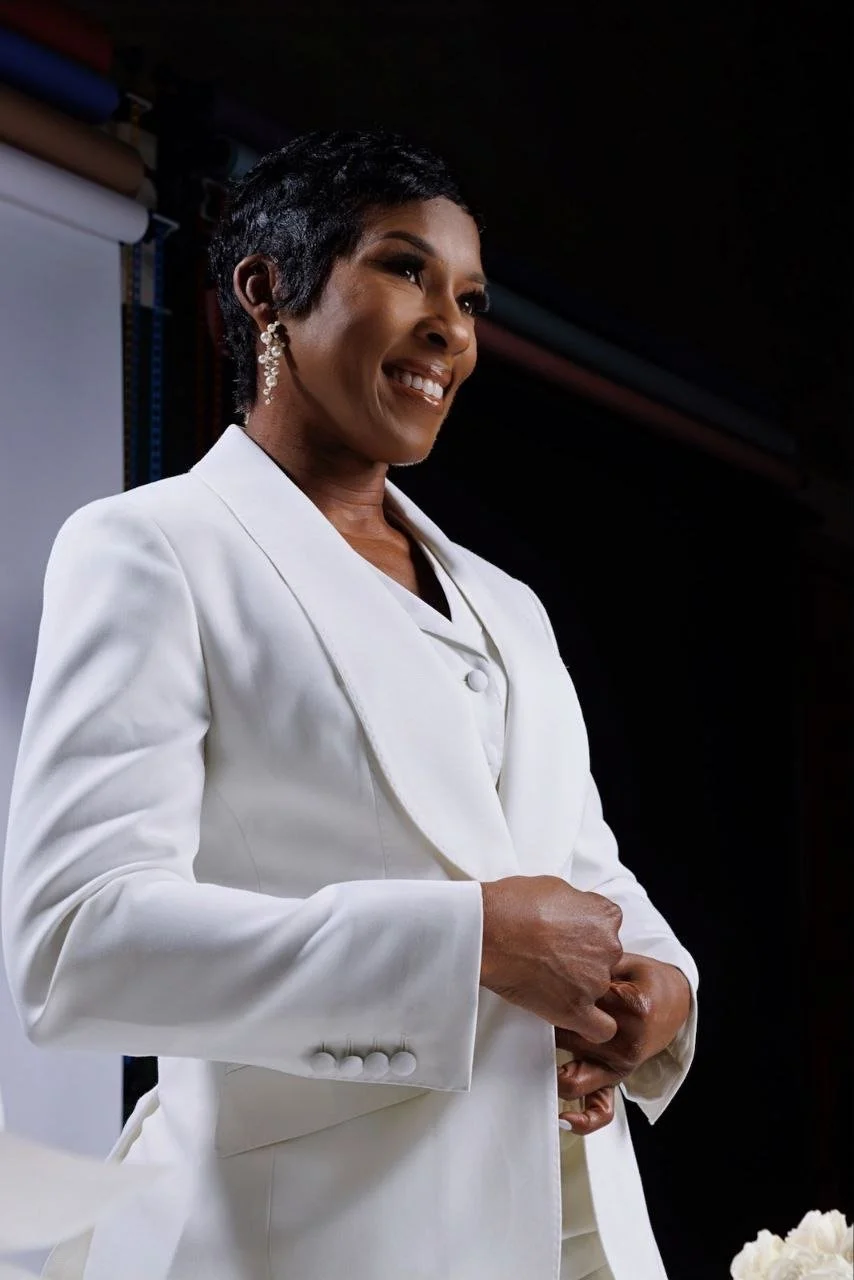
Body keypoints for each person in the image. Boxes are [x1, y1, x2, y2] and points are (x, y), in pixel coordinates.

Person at [1, 130, 697, 1280]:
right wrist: (466, 940)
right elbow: (78, 943)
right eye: (403, 269)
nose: (450, 328)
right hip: (310, 1239)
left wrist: (659, 985)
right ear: (266, 290)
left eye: (469, 297)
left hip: (569, 1233)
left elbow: (585, 871)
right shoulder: (156, 552)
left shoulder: (507, 606)